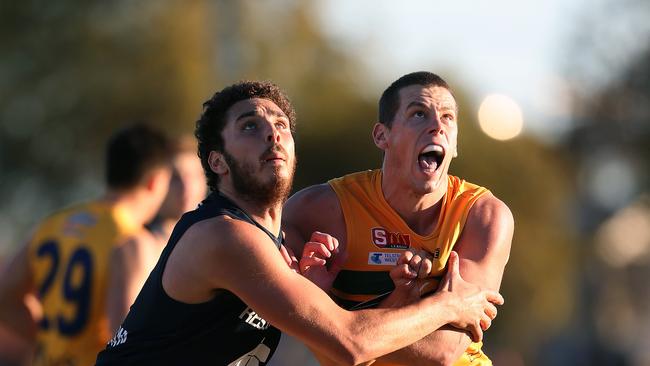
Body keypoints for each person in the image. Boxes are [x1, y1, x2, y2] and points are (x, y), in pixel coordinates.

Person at [95, 80, 504, 366]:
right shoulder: (225, 235)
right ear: (217, 162)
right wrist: (450, 304)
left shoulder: (275, 243)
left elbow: (340, 343)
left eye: (281, 126)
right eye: (250, 126)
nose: (272, 135)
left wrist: (338, 295)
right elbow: (351, 342)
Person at [283, 72, 514, 365]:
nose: (437, 127)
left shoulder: (483, 215)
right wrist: (447, 305)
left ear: (455, 145)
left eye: (447, 118)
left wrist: (328, 316)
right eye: (419, 114)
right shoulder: (319, 209)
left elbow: (442, 351)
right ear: (382, 135)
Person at [0, 123, 173, 366]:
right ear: (156, 182)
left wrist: (52, 339)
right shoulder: (132, 240)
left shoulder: (53, 224)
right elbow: (126, 336)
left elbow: (5, 297)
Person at [106, 136, 208, 327]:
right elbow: (123, 331)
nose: (187, 187)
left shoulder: (214, 244)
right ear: (158, 181)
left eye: (195, 176)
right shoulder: (138, 245)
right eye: (176, 178)